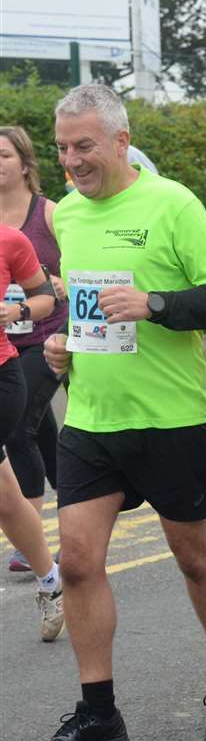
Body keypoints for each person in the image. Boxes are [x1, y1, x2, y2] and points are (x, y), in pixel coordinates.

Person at [31, 85, 206, 741]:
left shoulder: (172, 203)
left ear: (121, 142)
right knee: (77, 560)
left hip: (171, 419)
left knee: (194, 559)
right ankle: (99, 713)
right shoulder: (66, 214)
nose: (72, 161)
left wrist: (154, 303)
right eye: (63, 149)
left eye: (85, 146)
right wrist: (62, 345)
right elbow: (87, 313)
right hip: (92, 418)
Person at [0, 124, 65, 570]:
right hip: (7, 343)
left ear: (25, 163)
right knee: (41, 432)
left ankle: (31, 539)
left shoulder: (50, 214)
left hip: (47, 337)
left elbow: (83, 264)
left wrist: (61, 283)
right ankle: (79, 499)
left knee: (21, 427)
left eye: (4, 155)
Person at [0, 223, 65, 639]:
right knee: (7, 500)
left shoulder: (9, 239)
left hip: (1, 378)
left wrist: (18, 311)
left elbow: (46, 296)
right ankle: (51, 581)